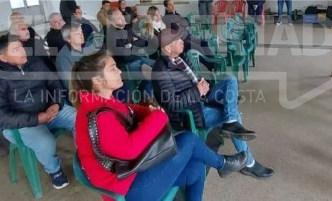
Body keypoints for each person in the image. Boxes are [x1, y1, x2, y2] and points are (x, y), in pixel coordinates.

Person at [72, 51, 248, 201]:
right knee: (188, 140)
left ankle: (223, 165)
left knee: (196, 169)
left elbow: (127, 110)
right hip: (127, 188)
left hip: (130, 172)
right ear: (97, 80)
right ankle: (223, 164)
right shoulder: (98, 115)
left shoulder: (98, 101)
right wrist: (157, 116)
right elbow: (130, 149)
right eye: (113, 68)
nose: (119, 71)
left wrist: (147, 111)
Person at [152, 27, 274, 179]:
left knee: (230, 80)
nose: (182, 41)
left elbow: (194, 79)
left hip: (202, 97)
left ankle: (231, 121)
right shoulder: (161, 71)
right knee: (235, 116)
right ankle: (248, 163)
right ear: (168, 47)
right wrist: (197, 91)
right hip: (192, 111)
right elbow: (172, 103)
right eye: (178, 40)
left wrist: (204, 84)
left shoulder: (181, 58)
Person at [0, 34, 76, 189]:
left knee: (81, 119)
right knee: (45, 143)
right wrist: (36, 119)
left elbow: (54, 84)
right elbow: (1, 116)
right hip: (23, 123)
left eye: (21, 46)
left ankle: (86, 158)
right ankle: (54, 170)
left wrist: (56, 104)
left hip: (51, 110)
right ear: (3, 57)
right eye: (16, 49)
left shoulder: (35, 62)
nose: (22, 51)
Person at [55, 22, 100, 89]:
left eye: (81, 32)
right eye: (77, 34)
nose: (81, 35)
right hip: (84, 90)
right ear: (68, 39)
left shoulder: (89, 46)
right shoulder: (63, 58)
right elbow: (69, 83)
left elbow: (101, 62)